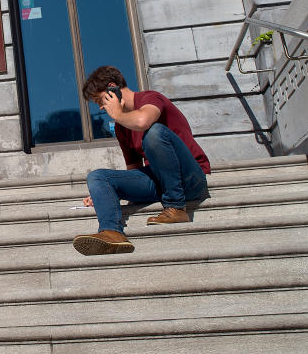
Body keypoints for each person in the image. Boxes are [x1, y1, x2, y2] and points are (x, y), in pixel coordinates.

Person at [72, 66, 210, 256]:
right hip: (159, 182)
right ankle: (112, 233)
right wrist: (105, 194)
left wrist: (118, 114)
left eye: (100, 100)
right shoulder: (122, 128)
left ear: (113, 88)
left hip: (189, 178)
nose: (102, 108)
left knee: (153, 132)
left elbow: (144, 121)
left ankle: (176, 207)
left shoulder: (150, 98)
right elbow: (134, 170)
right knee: (98, 177)